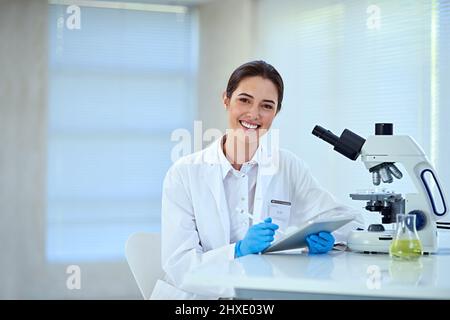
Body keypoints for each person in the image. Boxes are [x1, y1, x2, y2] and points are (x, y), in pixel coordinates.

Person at [151, 60, 364, 299]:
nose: (254, 114)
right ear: (226, 99)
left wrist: (329, 238)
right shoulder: (184, 173)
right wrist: (238, 251)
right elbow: (179, 265)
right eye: (244, 100)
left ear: (276, 112)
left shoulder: (287, 166)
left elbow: (351, 222)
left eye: (267, 106)